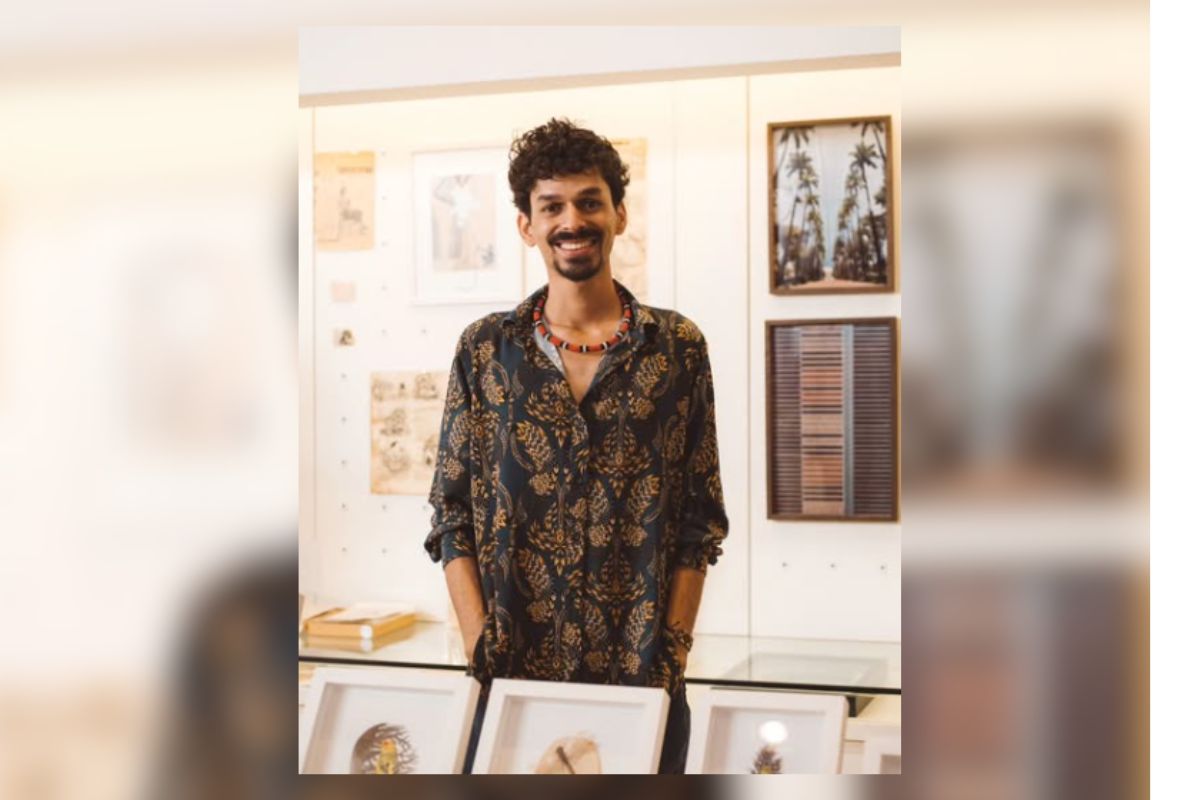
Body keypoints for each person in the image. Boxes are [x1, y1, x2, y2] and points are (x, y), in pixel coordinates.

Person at [424, 118, 728, 774]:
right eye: (552, 206)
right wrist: (480, 645)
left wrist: (671, 654)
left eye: (590, 201)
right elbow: (450, 514)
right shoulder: (485, 351)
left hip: (640, 685)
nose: (572, 221)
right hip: (511, 688)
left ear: (619, 214)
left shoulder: (678, 349)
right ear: (526, 225)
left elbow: (700, 521)